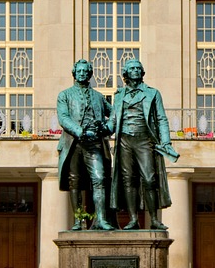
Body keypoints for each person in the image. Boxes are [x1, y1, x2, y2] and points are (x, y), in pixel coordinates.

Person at [109, 58, 178, 229]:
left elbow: (161, 119)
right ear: (125, 73)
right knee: (128, 180)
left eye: (138, 68)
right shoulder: (118, 96)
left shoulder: (153, 93)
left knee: (149, 179)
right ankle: (133, 219)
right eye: (132, 68)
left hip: (144, 139)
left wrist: (166, 141)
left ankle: (154, 219)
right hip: (124, 140)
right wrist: (99, 129)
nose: (136, 71)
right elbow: (113, 120)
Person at [56, 59, 113, 230]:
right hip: (74, 143)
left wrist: (106, 128)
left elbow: (114, 115)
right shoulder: (64, 95)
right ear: (74, 73)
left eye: (85, 71)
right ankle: (78, 220)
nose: (82, 74)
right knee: (75, 182)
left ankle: (101, 219)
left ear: (90, 74)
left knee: (99, 179)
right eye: (79, 71)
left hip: (94, 143)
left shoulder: (98, 97)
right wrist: (80, 131)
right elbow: (63, 117)